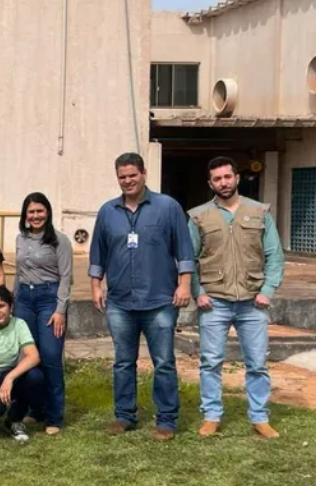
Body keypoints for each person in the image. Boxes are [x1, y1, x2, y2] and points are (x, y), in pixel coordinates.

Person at [89, 152, 194, 441]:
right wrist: (96, 286)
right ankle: (124, 416)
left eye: (132, 175)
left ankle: (167, 419)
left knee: (163, 362)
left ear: (144, 173)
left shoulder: (167, 207)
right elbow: (97, 252)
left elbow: (184, 250)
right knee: (123, 362)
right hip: (120, 302)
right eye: (122, 177)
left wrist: (184, 285)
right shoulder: (108, 211)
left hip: (160, 300)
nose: (127, 181)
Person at [189, 156, 285, 440]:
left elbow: (275, 256)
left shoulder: (259, 212)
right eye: (217, 179)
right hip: (214, 301)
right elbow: (187, 259)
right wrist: (198, 292)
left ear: (237, 178)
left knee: (256, 363)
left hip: (252, 302)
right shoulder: (198, 216)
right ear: (210, 183)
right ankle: (211, 415)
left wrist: (267, 291)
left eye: (227, 177)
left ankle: (259, 417)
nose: (223, 183)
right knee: (210, 362)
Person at [13, 192, 73, 435]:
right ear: (25, 215)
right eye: (31, 212)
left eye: (39, 211)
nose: (35, 216)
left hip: (49, 299)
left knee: (49, 357)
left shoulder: (60, 240)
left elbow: (67, 277)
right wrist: (14, 303)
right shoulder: (20, 238)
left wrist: (60, 310)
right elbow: (18, 274)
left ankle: (54, 417)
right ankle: (34, 410)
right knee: (28, 358)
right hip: (24, 300)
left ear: (47, 212)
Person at [0, 286, 42, 442]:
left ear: (10, 307)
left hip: (6, 373)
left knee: (35, 377)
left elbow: (34, 356)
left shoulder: (19, 324)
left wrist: (9, 378)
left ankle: (14, 420)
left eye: (1, 306)